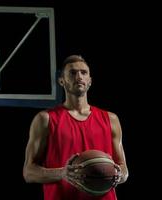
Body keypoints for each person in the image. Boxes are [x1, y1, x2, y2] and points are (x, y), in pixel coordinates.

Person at [23, 55, 128, 200]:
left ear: (90, 81)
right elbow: (29, 172)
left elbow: (124, 170)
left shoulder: (111, 119)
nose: (79, 76)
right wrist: (62, 173)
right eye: (72, 73)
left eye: (84, 72)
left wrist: (117, 174)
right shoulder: (45, 119)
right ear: (61, 81)